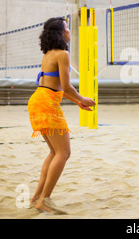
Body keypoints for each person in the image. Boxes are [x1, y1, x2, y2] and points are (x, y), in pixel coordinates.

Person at [27, 17, 96, 214]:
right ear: (60, 33)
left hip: (38, 101)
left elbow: (57, 87)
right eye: (67, 28)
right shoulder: (63, 54)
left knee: (54, 152)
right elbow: (66, 86)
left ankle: (36, 197)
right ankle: (44, 200)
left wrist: (78, 102)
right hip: (47, 103)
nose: (69, 31)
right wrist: (82, 98)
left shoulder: (49, 54)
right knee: (64, 153)